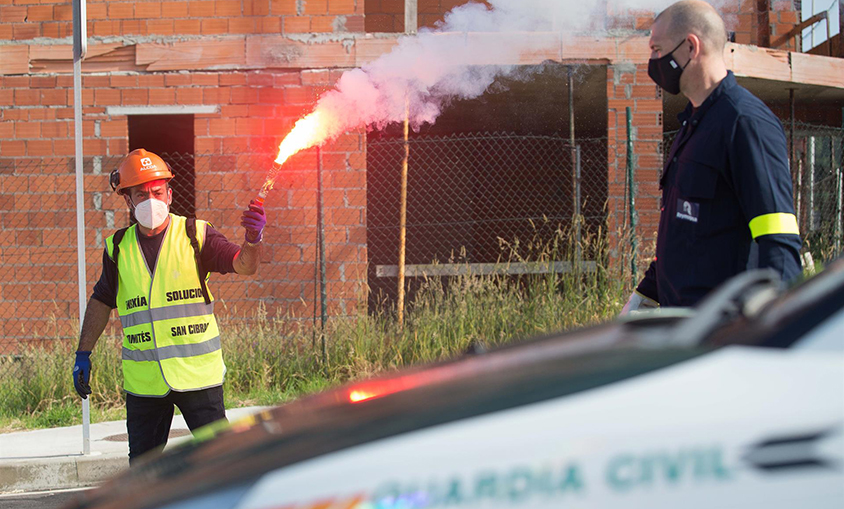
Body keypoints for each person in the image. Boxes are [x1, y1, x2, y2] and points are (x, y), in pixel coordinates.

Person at [72, 148, 267, 464]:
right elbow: (102, 300)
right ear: (128, 200)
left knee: (222, 464)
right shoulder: (117, 248)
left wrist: (253, 239)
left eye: (157, 191)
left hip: (197, 377)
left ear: (170, 194)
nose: (151, 199)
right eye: (141, 193)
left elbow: (244, 265)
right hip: (145, 384)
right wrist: (83, 353)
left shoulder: (195, 234)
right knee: (144, 474)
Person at [621, 0, 802, 314]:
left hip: (725, 333)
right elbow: (684, 234)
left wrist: (776, 339)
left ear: (690, 47)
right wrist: (645, 295)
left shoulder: (744, 124)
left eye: (657, 49)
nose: (652, 60)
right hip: (685, 327)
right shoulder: (693, 124)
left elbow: (779, 244)